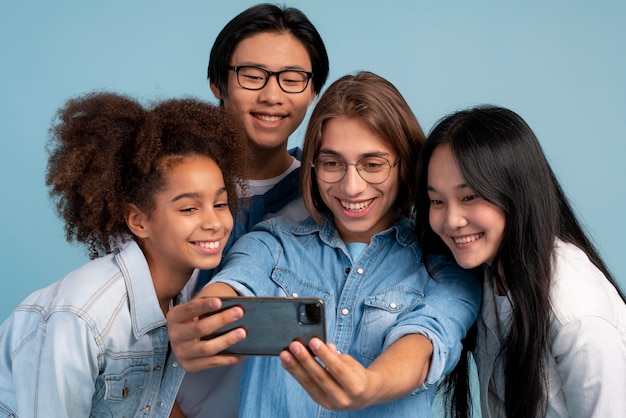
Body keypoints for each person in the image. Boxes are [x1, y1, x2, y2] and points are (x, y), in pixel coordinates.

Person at [167, 71, 482, 417]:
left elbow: (426, 342)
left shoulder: (446, 267)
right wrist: (200, 322)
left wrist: (370, 385)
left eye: (372, 164)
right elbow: (234, 284)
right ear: (313, 167)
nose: (351, 187)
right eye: (332, 163)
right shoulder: (272, 242)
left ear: (404, 165)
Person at [0, 92, 249, 417]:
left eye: (220, 203)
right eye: (189, 208)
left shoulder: (179, 300)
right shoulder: (80, 318)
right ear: (138, 220)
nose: (214, 222)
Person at [414, 105, 626, 418]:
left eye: (469, 196)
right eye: (437, 201)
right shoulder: (489, 273)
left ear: (514, 192)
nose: (452, 220)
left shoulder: (575, 309)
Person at [175, 4, 329, 416]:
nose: (272, 95)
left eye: (293, 79)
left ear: (313, 91)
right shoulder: (166, 187)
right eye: (252, 75)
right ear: (217, 82)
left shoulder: (330, 197)